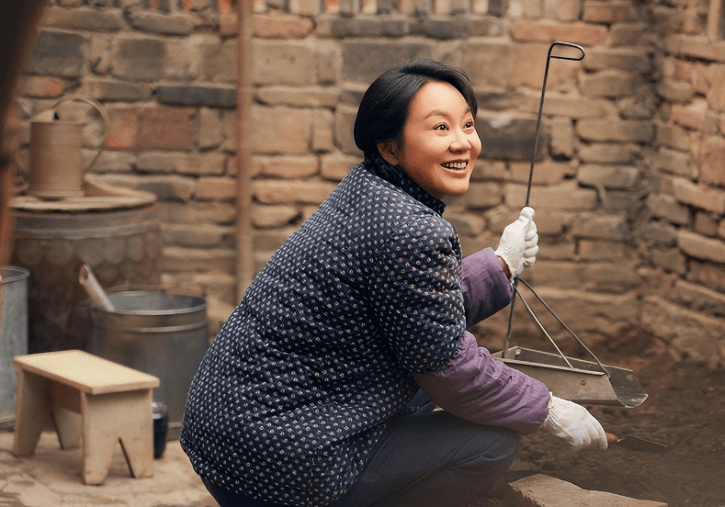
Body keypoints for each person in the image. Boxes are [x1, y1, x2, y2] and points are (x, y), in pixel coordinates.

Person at [180, 59, 607, 507]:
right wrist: (547, 408)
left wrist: (500, 265)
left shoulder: (366, 192)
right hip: (281, 459)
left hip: (226, 433)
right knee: (490, 445)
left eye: (467, 124)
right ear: (390, 146)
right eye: (440, 128)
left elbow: (412, 309)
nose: (463, 142)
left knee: (420, 394)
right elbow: (450, 366)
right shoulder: (412, 229)